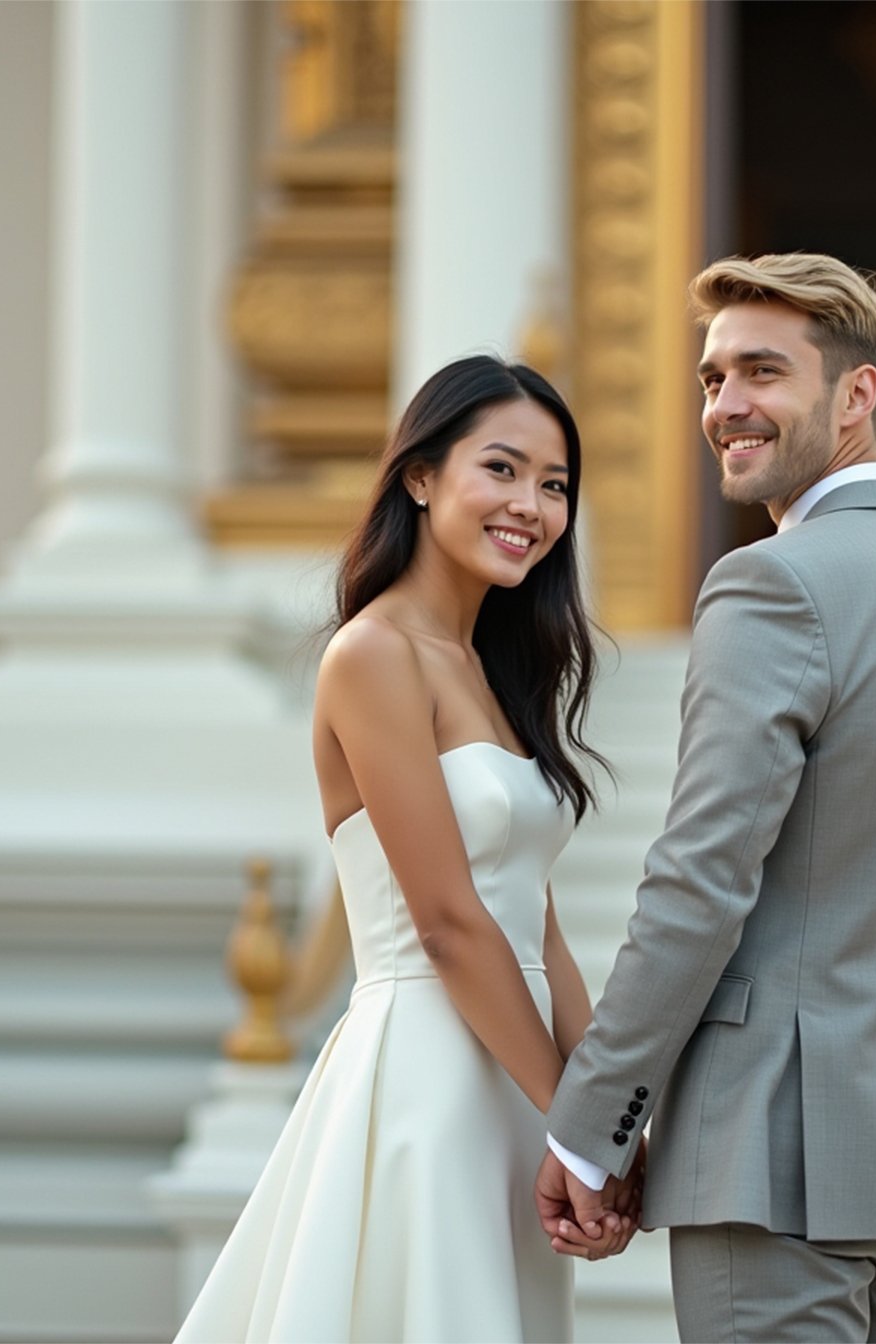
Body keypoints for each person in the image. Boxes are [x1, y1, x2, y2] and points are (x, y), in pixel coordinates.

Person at [538, 253, 876, 1342]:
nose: (725, 407)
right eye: (713, 379)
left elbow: (698, 885)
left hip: (771, 1163)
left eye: (762, 373)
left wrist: (592, 1128)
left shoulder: (771, 585)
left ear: (857, 397)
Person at [175, 355, 635, 1344]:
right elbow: (448, 923)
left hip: (514, 1090)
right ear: (420, 477)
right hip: (428, 1077)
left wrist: (602, 1114)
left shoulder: (495, 670)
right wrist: (577, 1119)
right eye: (503, 470)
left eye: (556, 485)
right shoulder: (372, 654)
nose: (533, 506)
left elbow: (535, 926)